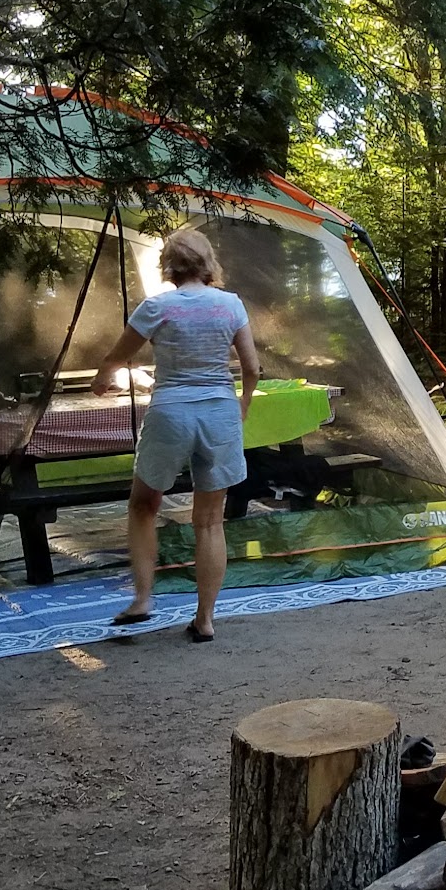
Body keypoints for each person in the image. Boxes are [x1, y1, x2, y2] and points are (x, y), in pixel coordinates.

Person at [95, 230, 259, 642]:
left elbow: (118, 356)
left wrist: (102, 378)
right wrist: (243, 404)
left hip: (170, 412)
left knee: (143, 504)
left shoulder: (157, 307)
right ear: (209, 263)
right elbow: (252, 368)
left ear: (167, 265)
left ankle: (143, 598)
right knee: (209, 521)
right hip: (219, 411)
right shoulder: (230, 305)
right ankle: (204, 620)